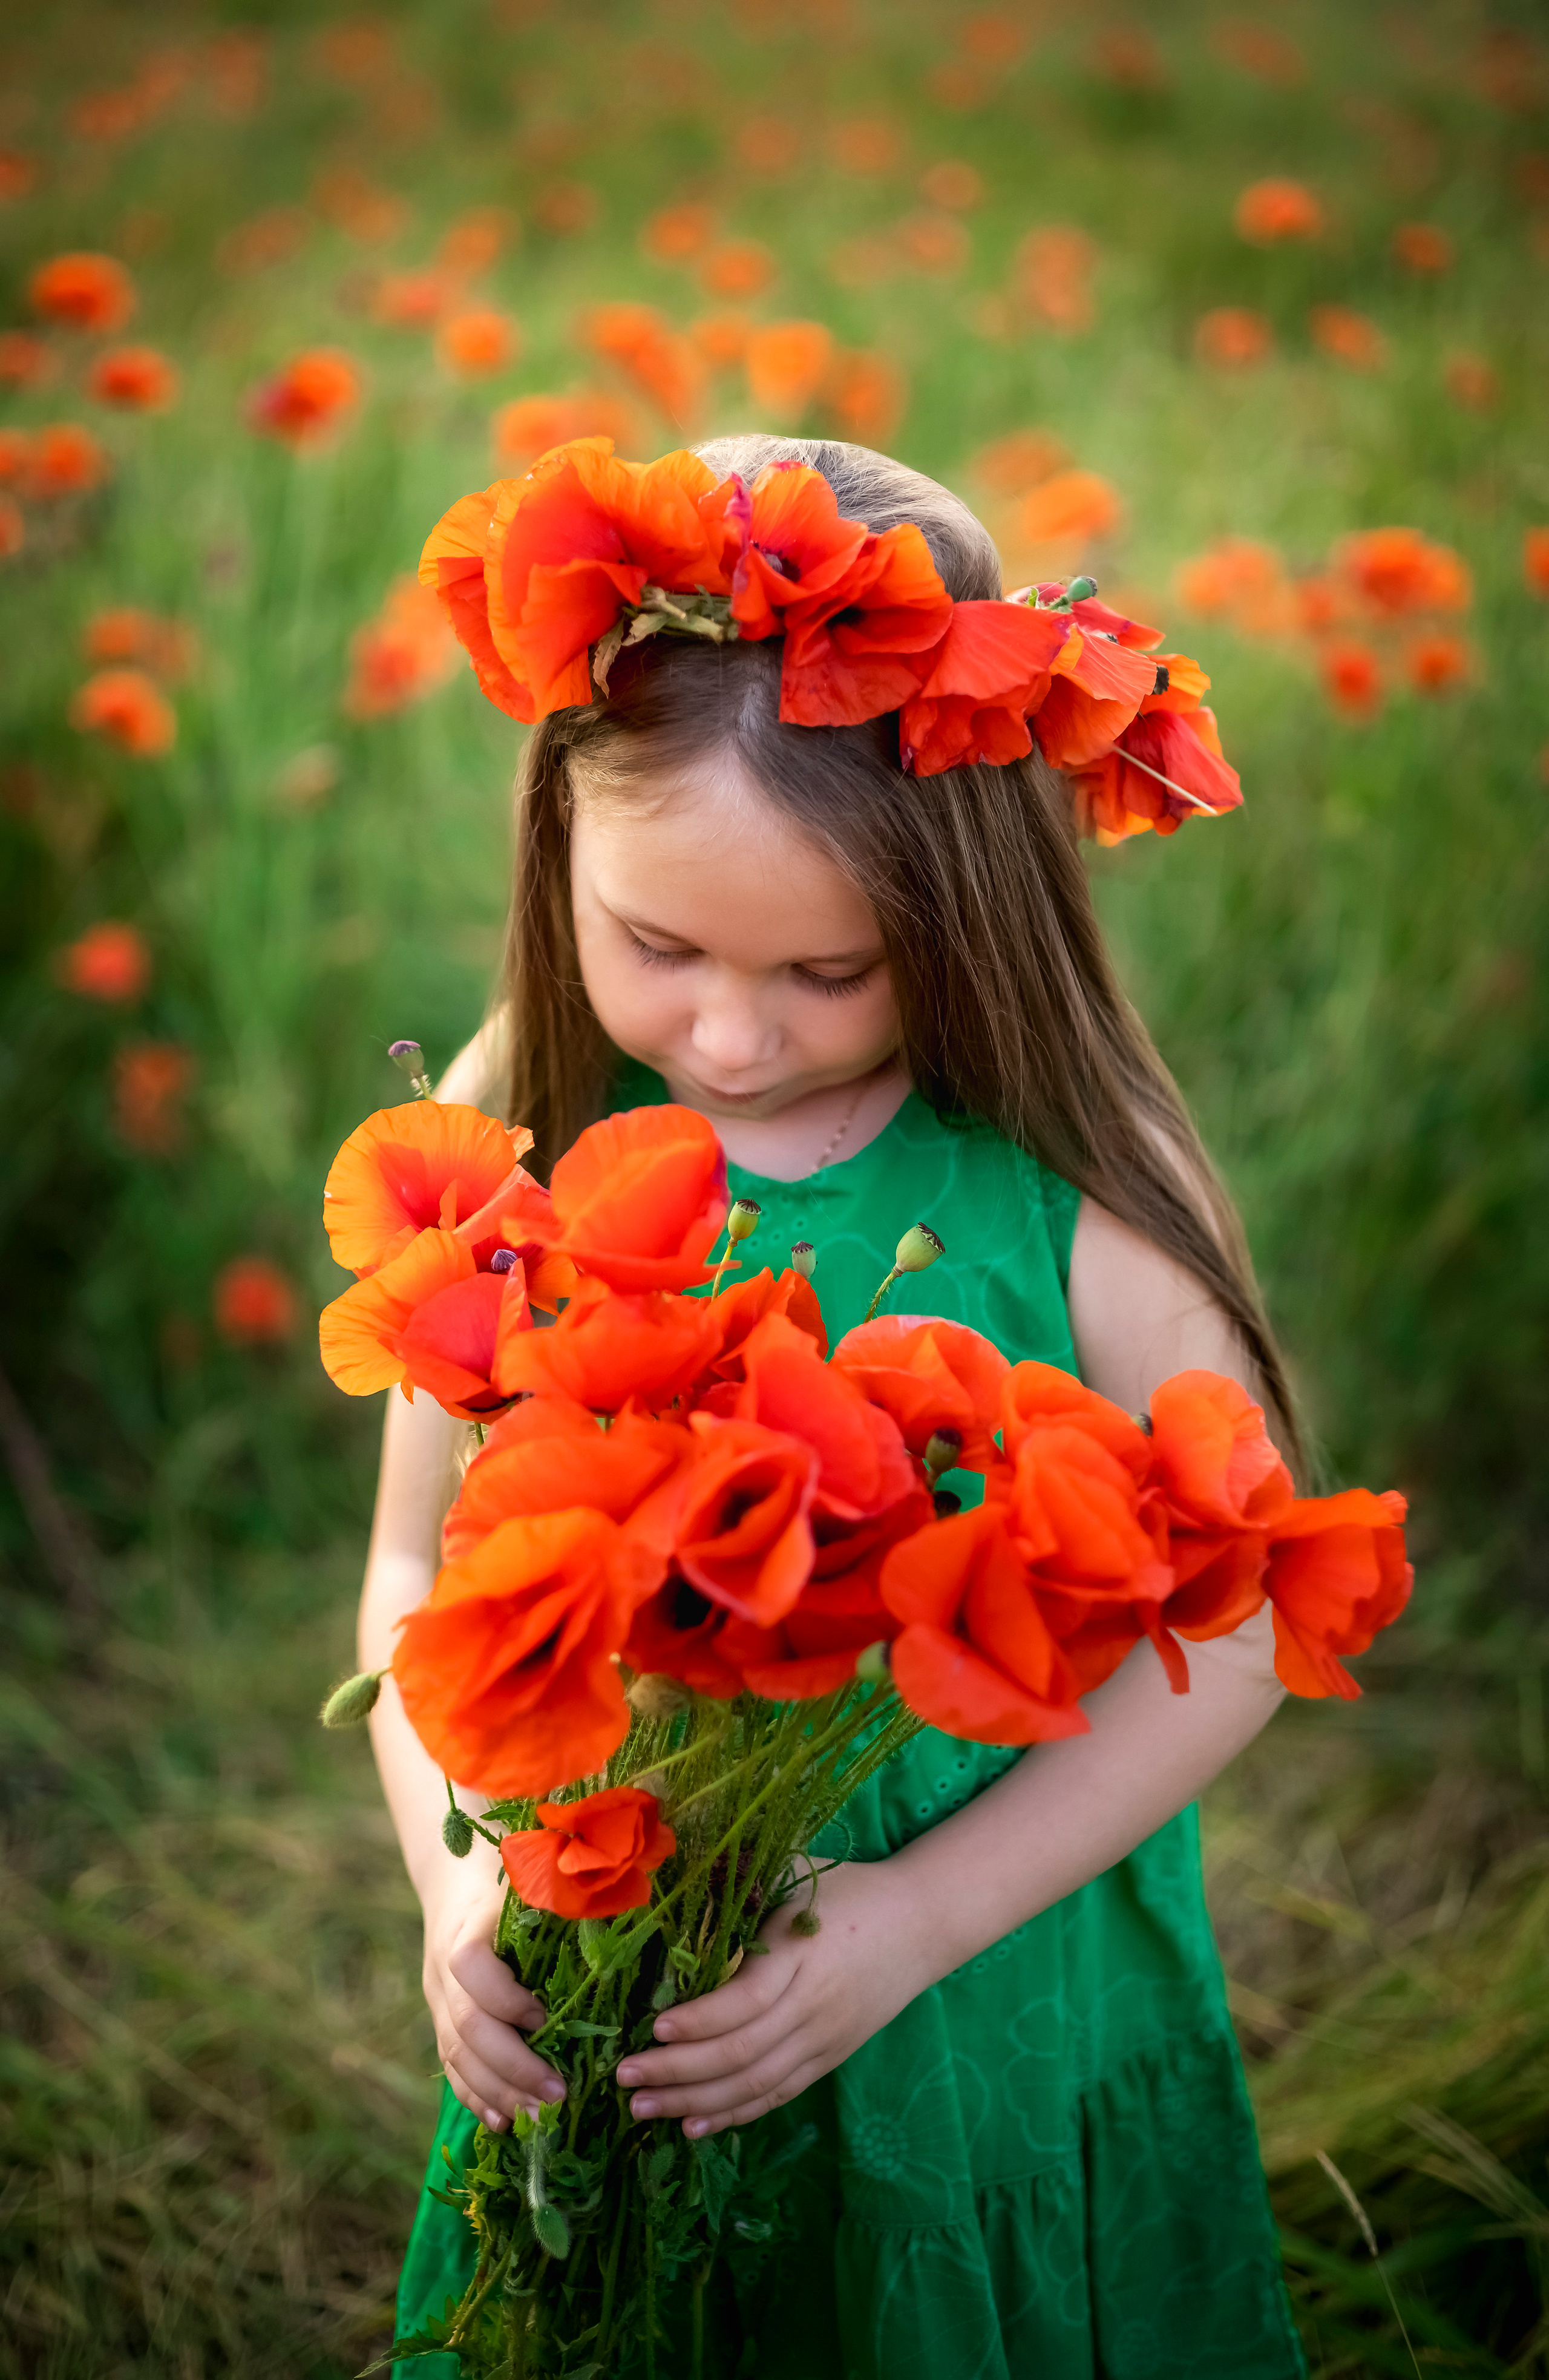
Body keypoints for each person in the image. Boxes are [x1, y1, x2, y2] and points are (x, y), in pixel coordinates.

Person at [359, 434, 1307, 2376]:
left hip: (972, 1986)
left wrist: (914, 1922)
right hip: (608, 1972)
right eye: (659, 946)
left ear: (967, 907)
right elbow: (409, 1575)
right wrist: (456, 1888)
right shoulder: (514, 1116)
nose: (728, 1033)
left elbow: (1243, 1632)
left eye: (827, 970)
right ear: (559, 846)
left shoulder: (1071, 1189)